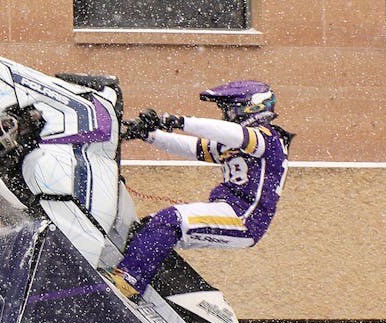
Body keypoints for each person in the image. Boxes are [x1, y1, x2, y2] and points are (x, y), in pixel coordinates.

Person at [104, 81, 293, 300]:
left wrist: (176, 121)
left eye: (229, 109)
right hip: (229, 211)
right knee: (149, 227)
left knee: (170, 220)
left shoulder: (267, 139)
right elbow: (191, 148)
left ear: (251, 108)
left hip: (244, 220)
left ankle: (128, 284)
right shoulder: (236, 144)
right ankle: (143, 286)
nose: (226, 115)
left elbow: (229, 132)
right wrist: (149, 135)